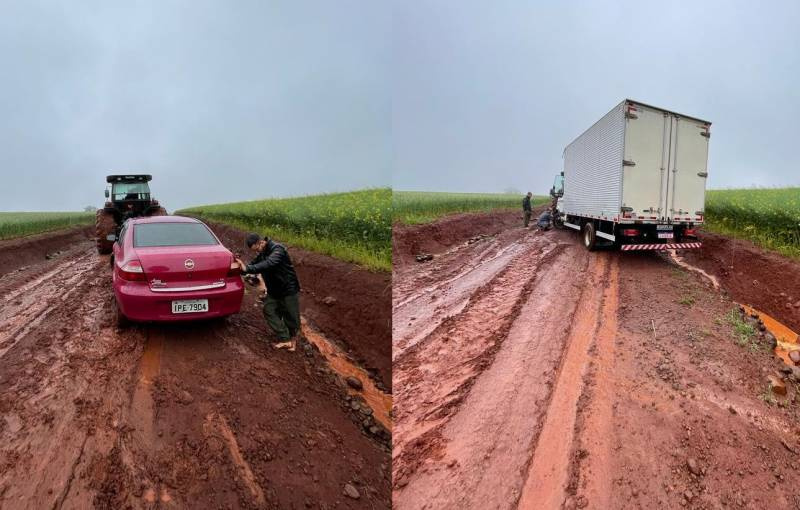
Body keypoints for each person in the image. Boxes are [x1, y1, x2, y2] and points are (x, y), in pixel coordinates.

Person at [237, 233, 302, 351]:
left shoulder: (278, 249)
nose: (257, 251)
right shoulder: (262, 253)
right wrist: (240, 268)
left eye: (257, 249)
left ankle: (293, 339)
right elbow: (251, 265)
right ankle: (285, 338)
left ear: (260, 242)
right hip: (274, 290)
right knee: (269, 310)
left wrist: (248, 268)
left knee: (291, 316)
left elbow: (269, 263)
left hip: (287, 289)